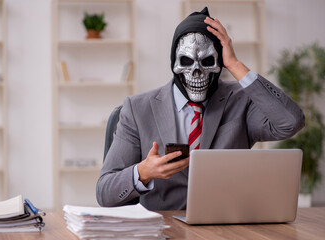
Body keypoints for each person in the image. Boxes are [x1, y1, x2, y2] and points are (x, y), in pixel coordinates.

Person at [96, 7, 305, 211]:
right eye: (186, 61)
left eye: (208, 61)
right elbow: (105, 192)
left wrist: (234, 64)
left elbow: (291, 122)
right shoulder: (137, 109)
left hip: (225, 225)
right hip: (164, 229)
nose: (197, 72)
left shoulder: (241, 100)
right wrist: (142, 172)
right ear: (175, 63)